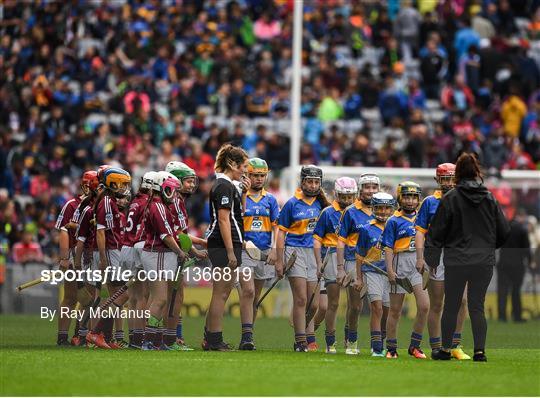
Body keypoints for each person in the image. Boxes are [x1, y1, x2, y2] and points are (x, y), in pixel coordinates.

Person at [426, 153, 510, 362]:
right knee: (476, 306)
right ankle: (479, 352)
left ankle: (445, 349)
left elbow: (436, 232)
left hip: (456, 260)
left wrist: (433, 260)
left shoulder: (451, 198)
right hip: (483, 261)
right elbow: (504, 230)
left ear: (457, 175)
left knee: (452, 305)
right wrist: (490, 248)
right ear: (476, 173)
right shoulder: (489, 198)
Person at [415, 163, 471, 360]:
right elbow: (420, 231)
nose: (448, 182)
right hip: (437, 256)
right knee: (437, 304)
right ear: (438, 180)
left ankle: (455, 345)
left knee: (462, 301)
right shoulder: (429, 202)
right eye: (444, 179)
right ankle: (437, 348)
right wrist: (420, 257)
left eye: (452, 178)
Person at [276, 165, 330, 352]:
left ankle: (305, 332)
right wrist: (279, 259)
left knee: (313, 303)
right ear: (303, 182)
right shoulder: (292, 203)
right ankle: (300, 341)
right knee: (300, 299)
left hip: (315, 255)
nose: (313, 185)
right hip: (295, 252)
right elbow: (281, 233)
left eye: (316, 182)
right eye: (309, 181)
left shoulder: (323, 205)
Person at [204, 144, 249, 351]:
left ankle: (209, 336)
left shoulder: (229, 186)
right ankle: (214, 340)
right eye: (243, 166)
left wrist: (245, 194)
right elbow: (223, 220)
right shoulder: (224, 186)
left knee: (221, 292)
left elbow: (237, 216)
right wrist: (230, 251)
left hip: (226, 243)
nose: (244, 171)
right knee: (221, 293)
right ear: (232, 164)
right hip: (224, 245)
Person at [86, 167, 132, 349]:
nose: (125, 188)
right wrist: (104, 260)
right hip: (111, 252)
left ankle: (104, 336)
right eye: (123, 184)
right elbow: (101, 233)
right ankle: (96, 332)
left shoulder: (108, 200)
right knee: (123, 294)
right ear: (113, 183)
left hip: (113, 252)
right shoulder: (106, 201)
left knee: (114, 296)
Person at [382, 181, 429, 359]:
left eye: (413, 197)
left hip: (417, 264)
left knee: (424, 306)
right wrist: (390, 270)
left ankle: (414, 346)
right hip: (399, 263)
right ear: (400, 198)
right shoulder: (393, 220)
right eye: (407, 197)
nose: (410, 201)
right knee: (395, 309)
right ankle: (391, 348)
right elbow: (387, 247)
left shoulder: (422, 218)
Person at [140, 171, 186, 350]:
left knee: (161, 299)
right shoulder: (158, 206)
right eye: (172, 190)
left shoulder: (157, 205)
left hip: (157, 254)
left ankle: (153, 339)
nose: (174, 195)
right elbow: (166, 235)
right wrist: (180, 252)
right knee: (159, 299)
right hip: (156, 253)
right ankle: (148, 340)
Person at [165, 161, 208, 350]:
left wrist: (196, 248)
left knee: (170, 296)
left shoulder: (175, 200)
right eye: (188, 181)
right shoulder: (174, 201)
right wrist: (199, 245)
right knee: (173, 296)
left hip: (168, 252)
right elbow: (178, 235)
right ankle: (169, 338)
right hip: (168, 252)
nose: (192, 185)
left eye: (192, 181)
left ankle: (170, 337)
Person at [312, 177, 357, 354]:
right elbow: (316, 240)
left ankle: (350, 340)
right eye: (343, 197)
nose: (347, 200)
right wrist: (318, 262)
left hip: (353, 257)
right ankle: (330, 343)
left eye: (350, 196)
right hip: (331, 256)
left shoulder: (357, 212)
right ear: (336, 194)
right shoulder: (327, 213)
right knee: (333, 303)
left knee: (354, 304)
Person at [239, 158, 279, 350]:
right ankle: (246, 336)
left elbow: (277, 227)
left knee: (255, 297)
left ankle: (248, 335)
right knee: (248, 291)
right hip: (245, 250)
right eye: (255, 175)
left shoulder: (270, 200)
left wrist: (274, 249)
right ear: (247, 175)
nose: (259, 179)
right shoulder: (240, 195)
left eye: (262, 176)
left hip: (264, 252)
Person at [336, 173, 379, 354]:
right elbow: (340, 241)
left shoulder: (385, 209)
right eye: (367, 187)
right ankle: (351, 340)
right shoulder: (350, 211)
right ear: (360, 190)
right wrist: (339, 268)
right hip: (354, 262)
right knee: (356, 306)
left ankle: (378, 345)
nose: (370, 191)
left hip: (377, 263)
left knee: (379, 305)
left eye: (374, 187)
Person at [54, 170, 97, 346]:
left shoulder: (99, 205)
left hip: (91, 255)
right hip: (74, 254)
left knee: (89, 298)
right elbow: (63, 230)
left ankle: (79, 335)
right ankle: (62, 337)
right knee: (71, 297)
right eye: (88, 185)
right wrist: (65, 258)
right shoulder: (71, 205)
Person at [353, 192, 396, 357]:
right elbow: (359, 255)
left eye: (386, 208)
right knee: (376, 308)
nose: (383, 211)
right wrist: (359, 277)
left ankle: (383, 342)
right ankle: (376, 347)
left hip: (389, 274)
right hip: (372, 272)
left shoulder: (395, 226)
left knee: (386, 311)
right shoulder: (366, 229)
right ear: (373, 208)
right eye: (379, 208)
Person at [121, 171, 155, 348]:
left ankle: (133, 338)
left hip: (125, 247)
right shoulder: (147, 203)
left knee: (133, 298)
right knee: (143, 296)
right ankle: (140, 338)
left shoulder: (135, 200)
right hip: (138, 247)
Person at [497, 209, 531, 322]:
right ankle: (516, 316)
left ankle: (502, 316)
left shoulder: (503, 228)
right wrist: (530, 262)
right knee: (516, 291)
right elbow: (526, 248)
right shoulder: (522, 230)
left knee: (502, 291)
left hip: (503, 263)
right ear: (521, 216)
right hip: (517, 265)